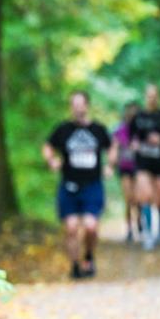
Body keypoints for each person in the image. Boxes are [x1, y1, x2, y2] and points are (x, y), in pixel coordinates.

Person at [42, 90, 116, 279]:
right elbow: (48, 146)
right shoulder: (64, 129)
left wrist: (110, 165)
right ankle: (75, 265)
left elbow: (112, 146)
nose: (77, 108)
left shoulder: (98, 130)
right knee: (71, 227)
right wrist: (52, 160)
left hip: (92, 185)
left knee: (91, 226)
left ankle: (89, 256)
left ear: (87, 105)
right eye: (73, 105)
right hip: (69, 186)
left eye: (80, 104)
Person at [130, 83, 160, 250]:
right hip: (143, 161)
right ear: (145, 97)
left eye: (154, 96)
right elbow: (129, 137)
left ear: (158, 97)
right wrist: (134, 143)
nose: (151, 99)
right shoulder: (138, 117)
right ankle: (148, 234)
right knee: (145, 195)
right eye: (149, 96)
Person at [112, 101, 140, 242]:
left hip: (139, 167)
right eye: (129, 112)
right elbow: (113, 146)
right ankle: (129, 229)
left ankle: (140, 220)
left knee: (138, 198)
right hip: (124, 168)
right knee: (128, 199)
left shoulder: (141, 130)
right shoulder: (119, 130)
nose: (131, 115)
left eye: (134, 113)